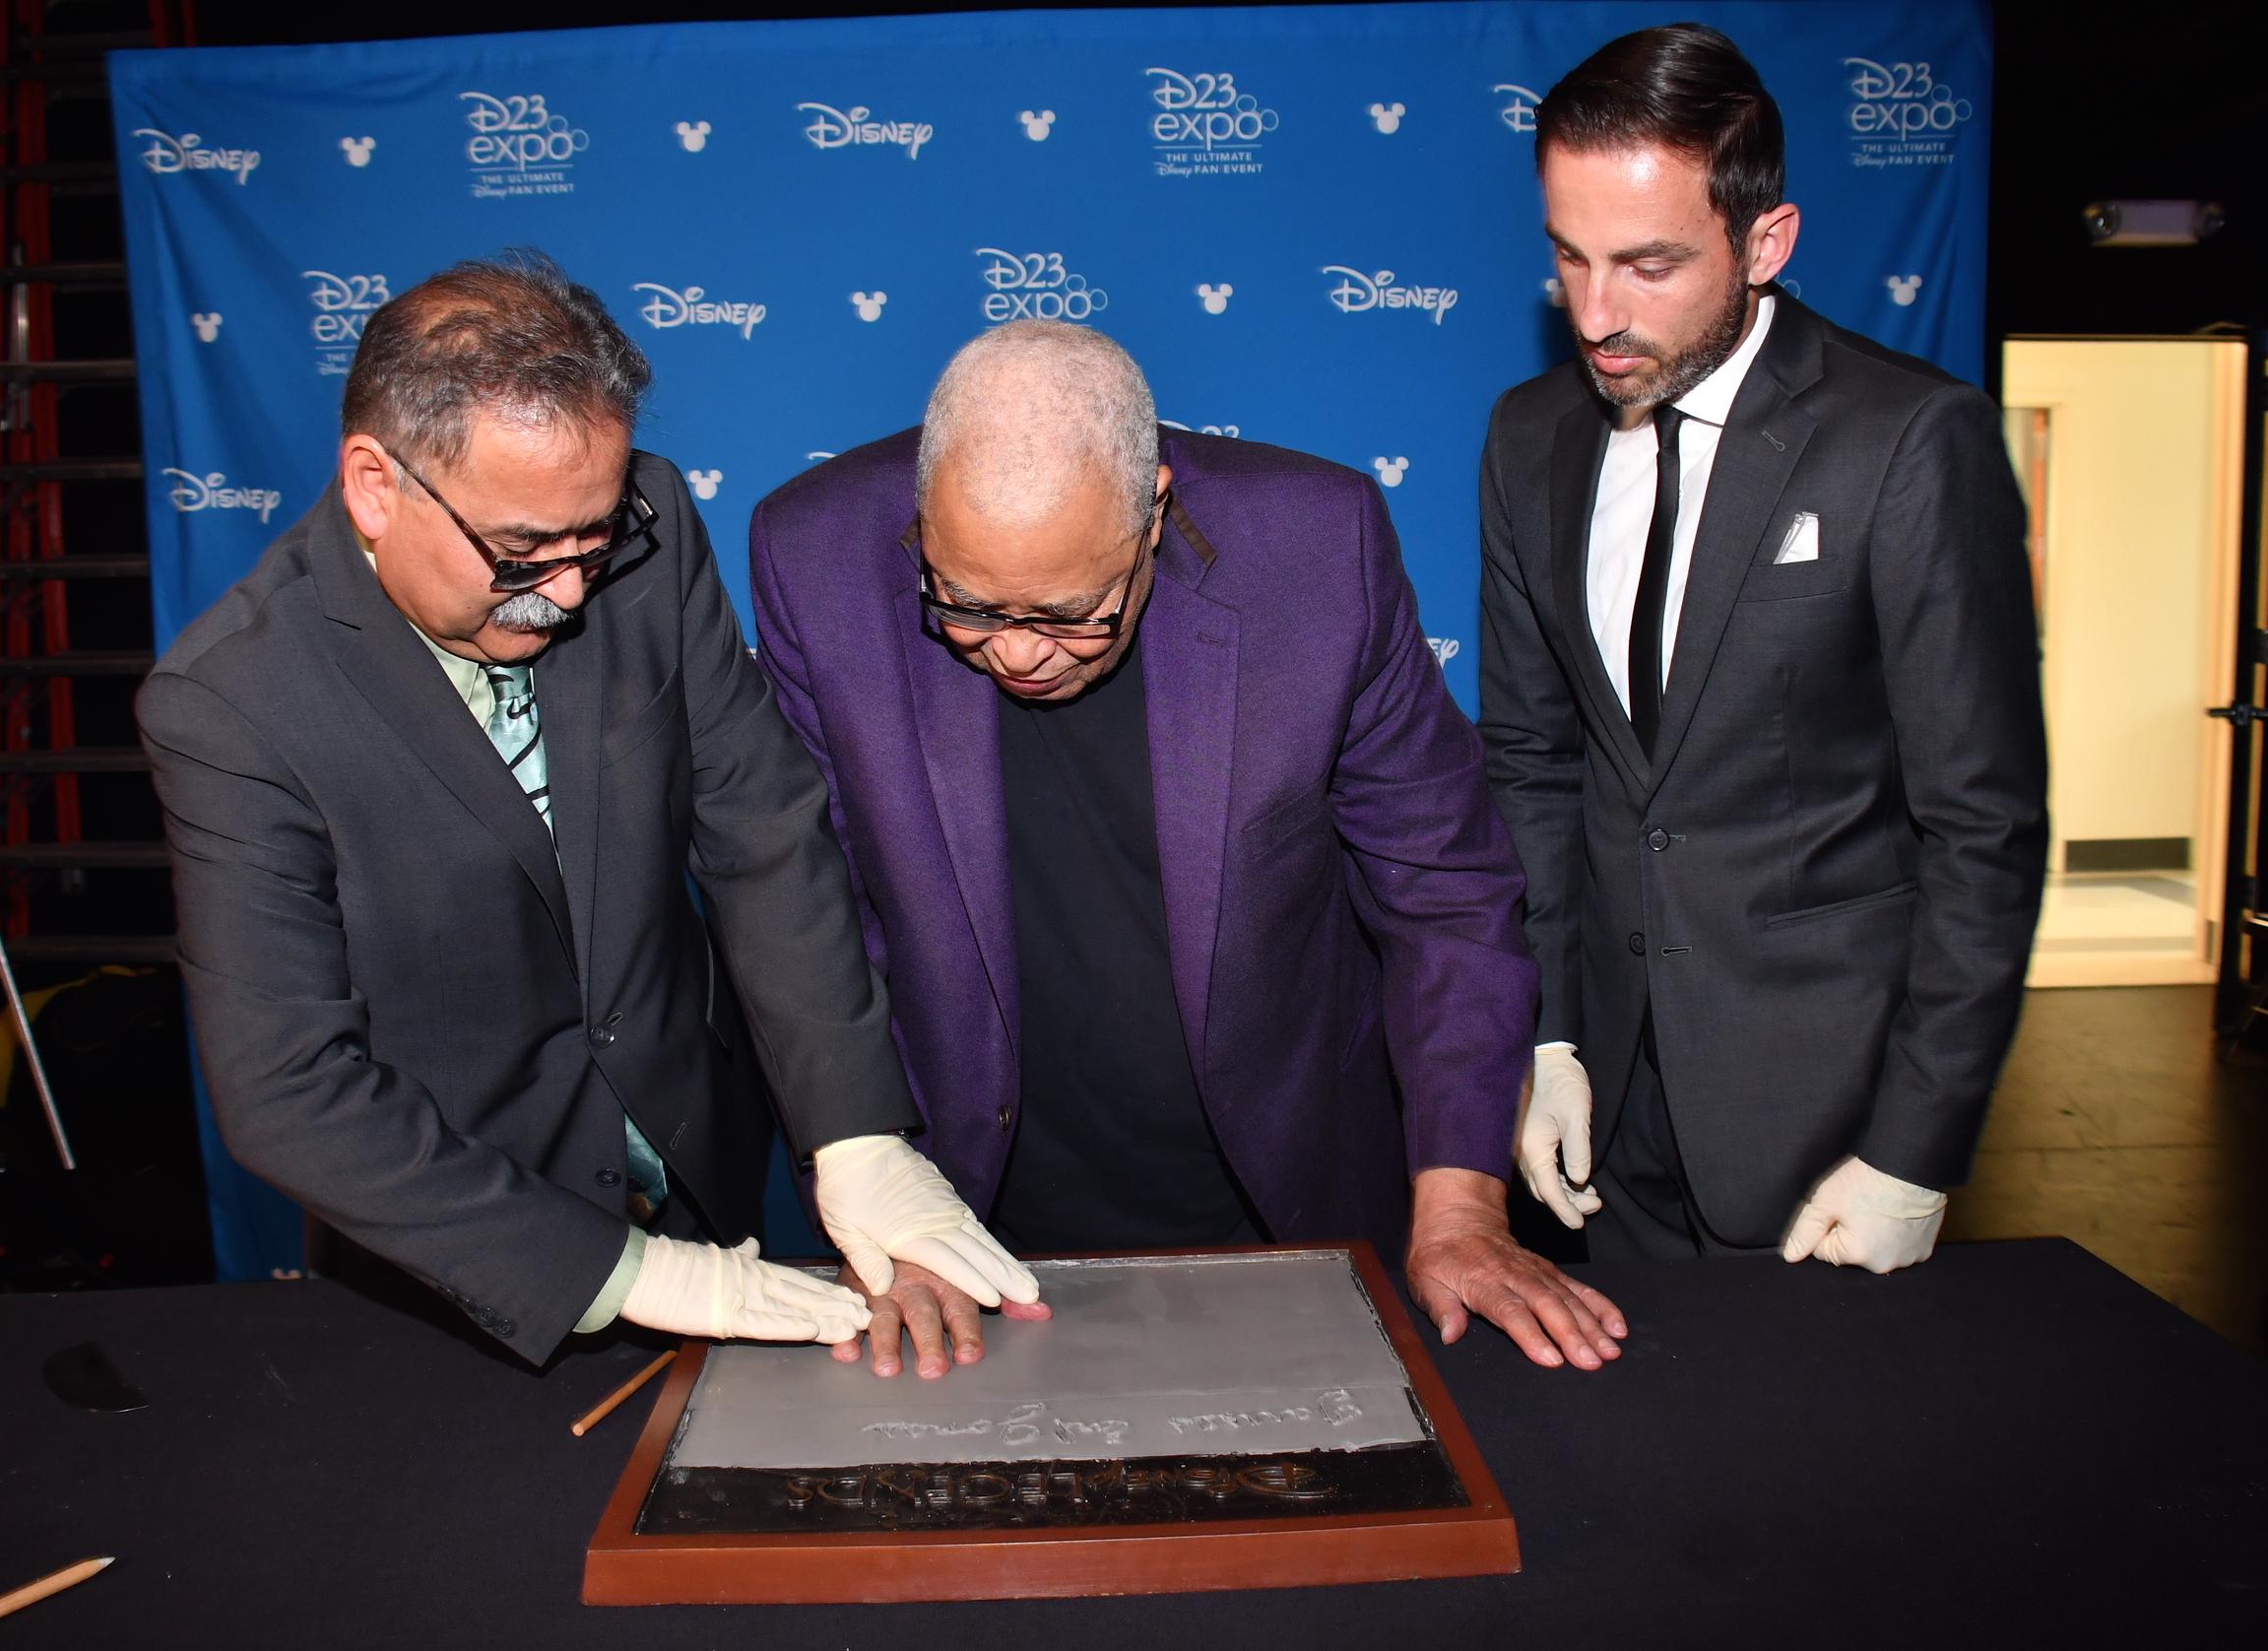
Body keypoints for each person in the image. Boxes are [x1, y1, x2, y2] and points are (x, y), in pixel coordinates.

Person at [139, 252, 1035, 1363]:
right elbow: (287, 1086)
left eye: (592, 539)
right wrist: (620, 1270)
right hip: (465, 1260)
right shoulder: (232, 704)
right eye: (519, 551)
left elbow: (761, 823)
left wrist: (856, 1133)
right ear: (377, 484)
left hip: (713, 1174)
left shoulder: (640, 528)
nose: (568, 591)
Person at [749, 320, 1627, 1379]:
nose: (1020, 653)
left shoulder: (1316, 548)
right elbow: (812, 907)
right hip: (965, 1204)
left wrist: (1459, 1205)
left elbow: (1442, 891)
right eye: (968, 607)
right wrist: (875, 1173)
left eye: (1073, 614)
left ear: (1153, 510)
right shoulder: (813, 553)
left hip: (1282, 1195)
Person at [1477, 26, 2047, 1269]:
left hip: (1830, 1123)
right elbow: (1531, 758)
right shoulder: (1528, 436)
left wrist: (1915, 1147)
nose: (1596, 313)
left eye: (1649, 264)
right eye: (1568, 257)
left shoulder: (1905, 439)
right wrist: (1545, 1033)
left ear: (1765, 243)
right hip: (1605, 1113)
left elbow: (1982, 826)